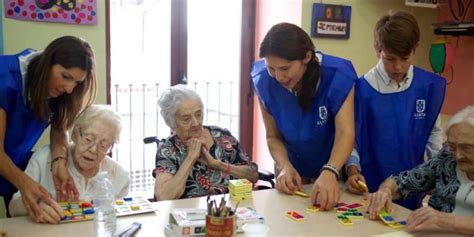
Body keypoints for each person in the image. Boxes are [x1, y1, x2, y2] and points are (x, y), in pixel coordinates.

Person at [344, 10, 446, 210]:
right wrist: (352, 170)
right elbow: (351, 138)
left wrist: (438, 175)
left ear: (414, 49)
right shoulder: (360, 89)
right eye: (390, 59)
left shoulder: (428, 86)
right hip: (369, 187)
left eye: (404, 58)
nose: (398, 67)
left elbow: (434, 134)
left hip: (413, 187)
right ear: (377, 50)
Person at [251, 22, 356, 210]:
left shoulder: (337, 75)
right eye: (271, 68)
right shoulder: (263, 80)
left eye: (285, 68)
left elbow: (346, 132)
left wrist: (331, 170)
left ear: (307, 57)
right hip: (291, 170)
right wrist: (283, 166)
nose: (278, 77)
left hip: (332, 167)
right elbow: (272, 136)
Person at [0, 36, 96, 220]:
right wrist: (25, 183)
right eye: (66, 77)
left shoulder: (60, 91)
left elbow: (59, 128)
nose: (69, 89)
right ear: (47, 62)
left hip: (13, 165)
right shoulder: (4, 80)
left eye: (76, 83)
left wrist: (58, 162)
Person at [8, 105, 129, 224]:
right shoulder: (44, 158)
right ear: (75, 134)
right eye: (88, 139)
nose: (93, 150)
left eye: (103, 145)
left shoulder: (119, 176)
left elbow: (119, 222)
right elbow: (13, 209)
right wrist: (36, 205)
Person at [366, 106, 474, 235]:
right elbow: (405, 181)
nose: (457, 155)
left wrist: (446, 220)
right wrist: (385, 191)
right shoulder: (447, 157)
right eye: (452, 146)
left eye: (466, 148)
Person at [153, 84, 259, 200]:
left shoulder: (222, 137)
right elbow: (163, 197)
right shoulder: (168, 150)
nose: (196, 123)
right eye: (186, 119)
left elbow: (253, 175)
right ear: (171, 122)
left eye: (198, 115)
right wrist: (190, 158)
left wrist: (218, 164)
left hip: (232, 209)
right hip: (189, 215)